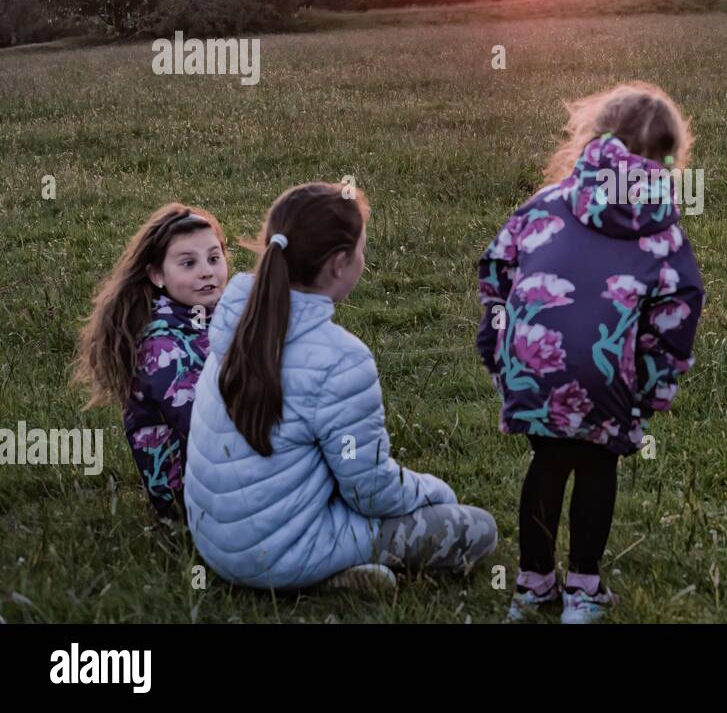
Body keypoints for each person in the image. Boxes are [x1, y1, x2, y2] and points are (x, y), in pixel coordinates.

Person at [185, 182, 496, 590]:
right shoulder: (341, 359)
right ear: (338, 264)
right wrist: (435, 490)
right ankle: (318, 573)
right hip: (276, 553)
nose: (363, 260)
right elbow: (370, 493)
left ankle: (330, 569)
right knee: (478, 529)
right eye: (361, 251)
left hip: (214, 540)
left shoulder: (237, 316)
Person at [477, 82, 705, 623]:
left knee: (547, 461)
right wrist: (655, 383)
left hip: (534, 366)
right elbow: (680, 304)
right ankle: (583, 589)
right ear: (670, 156)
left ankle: (532, 586)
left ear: (593, 137)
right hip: (609, 375)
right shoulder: (662, 230)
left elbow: (497, 269)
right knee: (598, 467)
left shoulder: (545, 205)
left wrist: (498, 352)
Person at [74, 205, 228, 521]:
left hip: (222, 475)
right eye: (188, 263)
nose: (206, 271)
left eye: (214, 258)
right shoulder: (160, 348)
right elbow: (208, 431)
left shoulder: (215, 318)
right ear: (157, 275)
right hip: (192, 500)